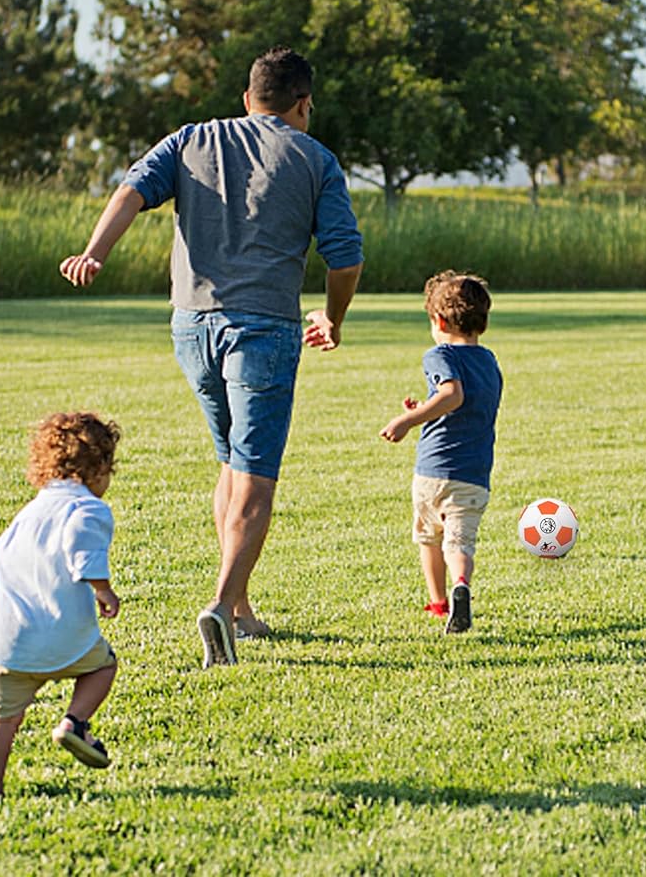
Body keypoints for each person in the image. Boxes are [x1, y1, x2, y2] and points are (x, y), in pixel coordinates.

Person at [60, 46, 363, 668]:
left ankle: (241, 608)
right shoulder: (315, 159)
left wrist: (94, 253)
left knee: (229, 462)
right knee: (255, 473)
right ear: (304, 103)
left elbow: (130, 192)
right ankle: (222, 607)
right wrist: (332, 318)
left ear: (248, 99)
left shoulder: (191, 139)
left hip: (191, 326)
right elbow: (345, 257)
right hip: (264, 329)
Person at [0, 412, 122, 797]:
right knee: (103, 667)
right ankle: (75, 722)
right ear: (99, 469)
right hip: (64, 637)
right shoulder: (88, 508)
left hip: (6, 642)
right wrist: (103, 589)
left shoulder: (29, 513)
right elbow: (81, 544)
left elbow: (0, 553)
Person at [379, 271, 503, 634]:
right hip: (473, 475)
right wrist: (426, 407)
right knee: (459, 541)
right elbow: (466, 404)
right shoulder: (489, 361)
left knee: (429, 537)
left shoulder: (439, 354)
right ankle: (460, 584)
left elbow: (453, 396)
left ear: (439, 321)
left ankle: (438, 603)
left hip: (433, 472)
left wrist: (407, 419)